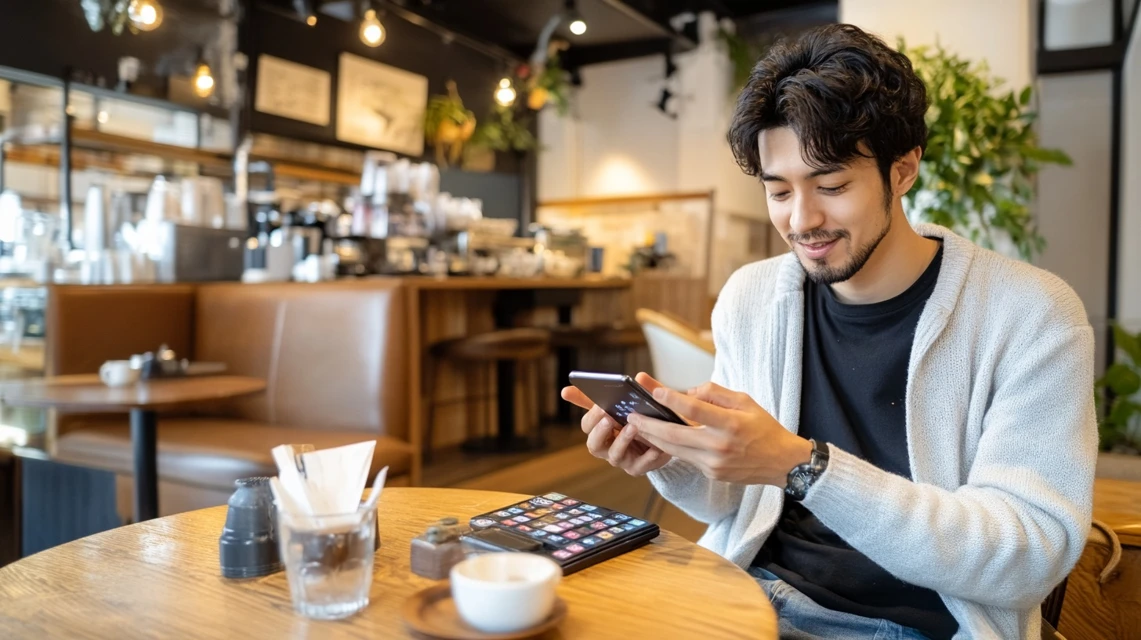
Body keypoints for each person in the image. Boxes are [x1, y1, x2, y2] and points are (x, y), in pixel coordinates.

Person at [561, 23, 1096, 640]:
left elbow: (1030, 556)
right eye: (779, 191)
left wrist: (803, 467)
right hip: (745, 593)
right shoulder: (752, 298)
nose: (802, 220)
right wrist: (674, 460)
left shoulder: (1031, 315)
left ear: (903, 169)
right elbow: (732, 505)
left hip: (911, 624)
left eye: (833, 185)